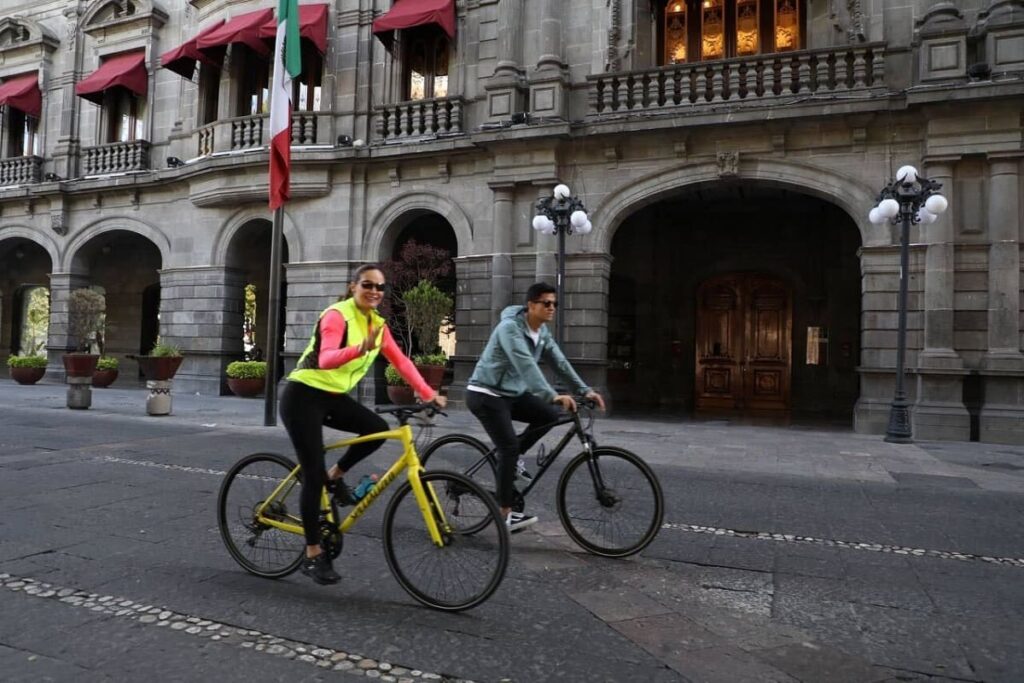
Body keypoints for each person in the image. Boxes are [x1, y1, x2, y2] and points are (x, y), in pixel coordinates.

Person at [280, 263, 447, 585]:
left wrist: (429, 394)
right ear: (353, 286)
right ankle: (313, 554)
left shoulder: (378, 325)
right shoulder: (337, 315)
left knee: (377, 430)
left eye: (380, 287)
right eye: (367, 284)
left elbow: (401, 361)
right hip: (303, 396)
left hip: (333, 396)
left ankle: (336, 476)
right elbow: (326, 358)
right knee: (312, 474)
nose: (374, 291)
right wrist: (361, 347)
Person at [466, 282, 605, 532]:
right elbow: (525, 366)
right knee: (508, 447)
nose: (552, 308)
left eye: (555, 304)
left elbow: (560, 362)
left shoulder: (541, 332)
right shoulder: (509, 328)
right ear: (531, 305)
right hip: (486, 394)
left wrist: (584, 390)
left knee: (549, 415)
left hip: (512, 394)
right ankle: (504, 514)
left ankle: (510, 463)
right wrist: (552, 395)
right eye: (546, 303)